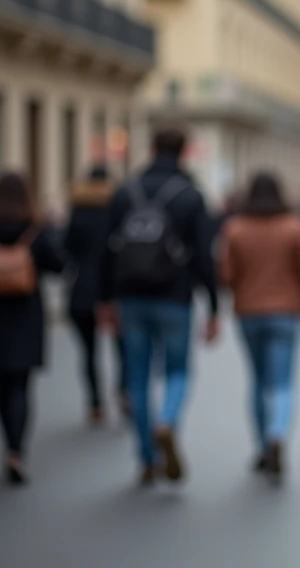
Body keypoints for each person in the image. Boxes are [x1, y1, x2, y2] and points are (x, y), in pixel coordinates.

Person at [101, 127, 220, 486]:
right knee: (177, 371)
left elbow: (107, 251)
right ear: (183, 152)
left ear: (150, 149)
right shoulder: (190, 196)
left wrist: (105, 300)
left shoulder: (125, 192)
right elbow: (204, 256)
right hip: (175, 299)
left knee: (137, 377)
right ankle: (167, 420)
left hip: (130, 297)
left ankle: (145, 458)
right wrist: (213, 305)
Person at [0, 172, 66, 484]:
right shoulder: (35, 228)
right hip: (25, 313)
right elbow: (58, 264)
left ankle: (6, 442)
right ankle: (16, 450)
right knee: (22, 385)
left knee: (0, 385)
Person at [219, 172, 300, 482]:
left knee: (257, 381)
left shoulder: (236, 228)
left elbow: (226, 275)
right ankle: (277, 434)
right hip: (286, 312)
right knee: (282, 383)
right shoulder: (294, 227)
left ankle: (260, 446)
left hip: (249, 312)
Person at [64, 166, 127, 425]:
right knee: (123, 349)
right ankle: (124, 390)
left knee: (88, 352)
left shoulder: (78, 212)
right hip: (115, 291)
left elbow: (66, 249)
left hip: (82, 290)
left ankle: (95, 404)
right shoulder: (118, 211)